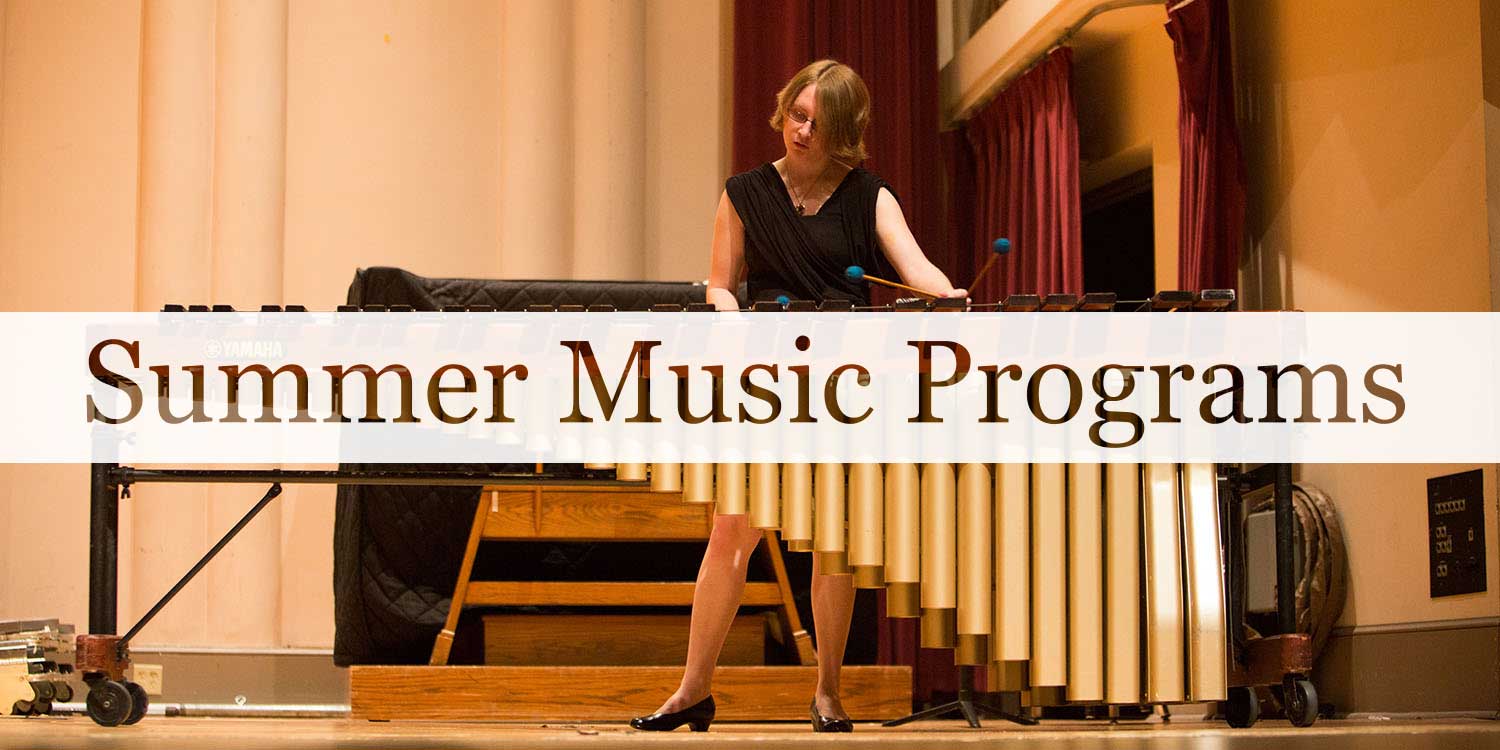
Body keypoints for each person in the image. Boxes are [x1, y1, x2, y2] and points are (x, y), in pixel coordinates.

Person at [629, 59, 965, 734]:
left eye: (817, 121)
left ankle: (829, 692)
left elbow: (914, 262)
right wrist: (731, 322)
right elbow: (721, 282)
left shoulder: (869, 196)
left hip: (843, 384)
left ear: (842, 129)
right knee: (732, 530)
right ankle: (693, 689)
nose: (802, 131)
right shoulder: (744, 193)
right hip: (768, 378)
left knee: (832, 540)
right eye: (796, 115)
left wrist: (942, 291)